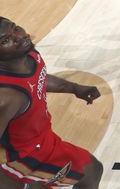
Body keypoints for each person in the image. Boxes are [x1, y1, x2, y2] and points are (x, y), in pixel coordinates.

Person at [0, 17, 104, 188]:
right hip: (26, 155)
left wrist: (74, 88)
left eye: (16, 28)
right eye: (6, 40)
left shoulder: (29, 55)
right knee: (92, 171)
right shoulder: (7, 96)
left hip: (42, 138)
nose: (20, 37)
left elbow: (38, 79)